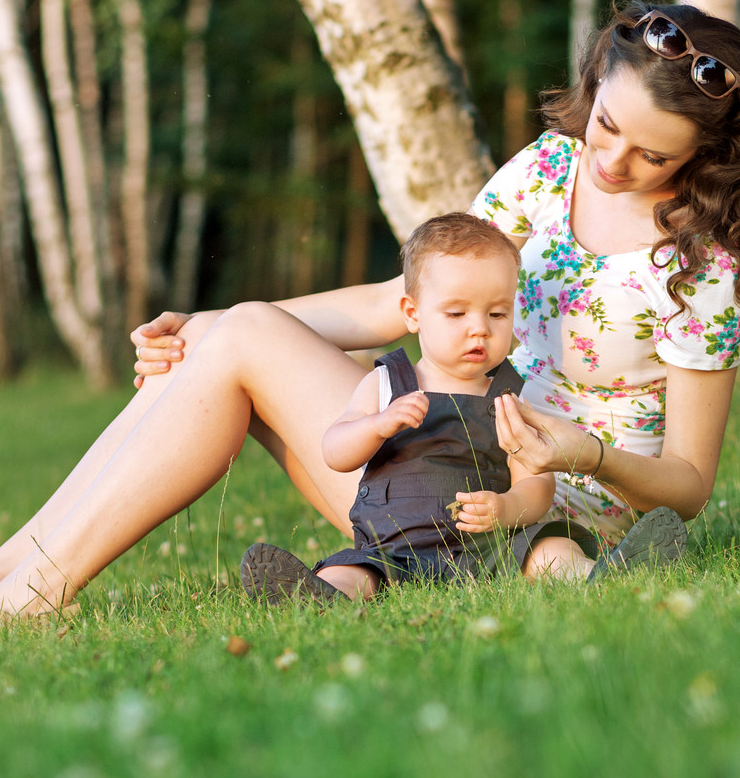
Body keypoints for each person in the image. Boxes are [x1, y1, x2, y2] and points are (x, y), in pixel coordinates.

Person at [0, 0, 740, 633]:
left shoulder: (699, 268)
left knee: (245, 337)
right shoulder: (544, 173)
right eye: (606, 127)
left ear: (704, 157)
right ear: (595, 86)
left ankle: (31, 593)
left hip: (549, 512)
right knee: (231, 337)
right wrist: (206, 322)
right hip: (423, 480)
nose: (613, 160)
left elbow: (689, 480)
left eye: (652, 154)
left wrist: (581, 450)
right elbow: (397, 305)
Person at [239, 210, 684, 604]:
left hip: (489, 549)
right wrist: (377, 425)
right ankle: (322, 594)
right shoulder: (387, 384)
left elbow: (537, 485)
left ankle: (595, 577)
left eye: (497, 315)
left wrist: (508, 508)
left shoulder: (511, 395)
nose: (479, 330)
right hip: (393, 549)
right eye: (456, 314)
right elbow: (335, 451)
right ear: (412, 314)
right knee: (354, 570)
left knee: (547, 548)